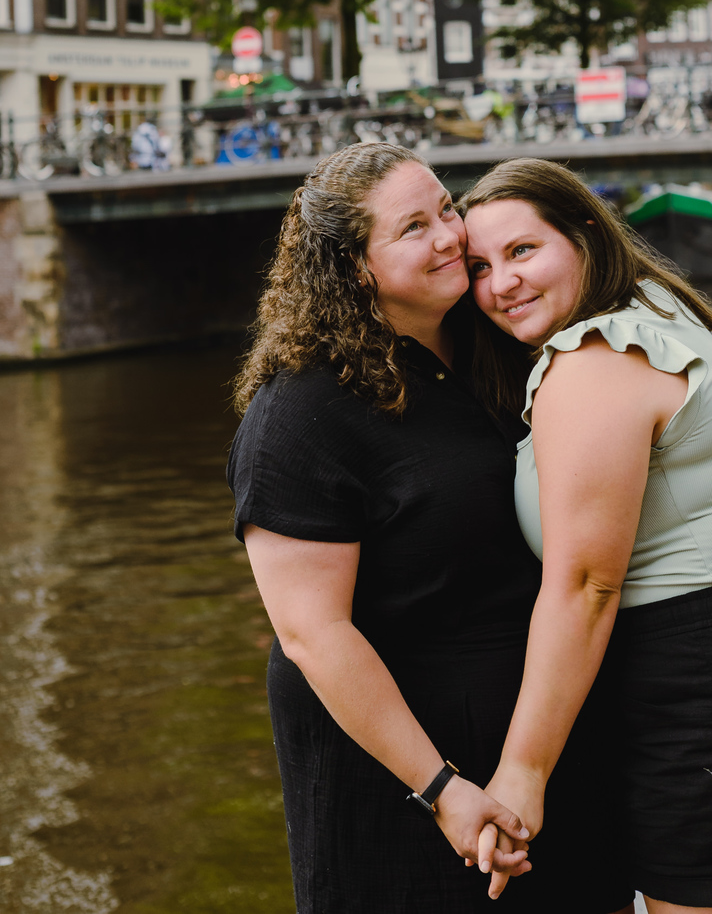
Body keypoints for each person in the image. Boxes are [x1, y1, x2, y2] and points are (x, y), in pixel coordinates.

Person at [227, 143, 633, 914]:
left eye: (446, 207)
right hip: (405, 781)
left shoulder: (498, 346)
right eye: (414, 227)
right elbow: (313, 633)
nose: (451, 235)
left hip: (547, 745)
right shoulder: (302, 413)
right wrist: (441, 788)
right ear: (354, 270)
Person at [461, 159, 712, 913]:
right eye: (479, 267)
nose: (502, 283)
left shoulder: (597, 360)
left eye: (522, 250)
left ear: (586, 234)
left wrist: (523, 770)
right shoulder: (652, 311)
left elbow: (587, 584)